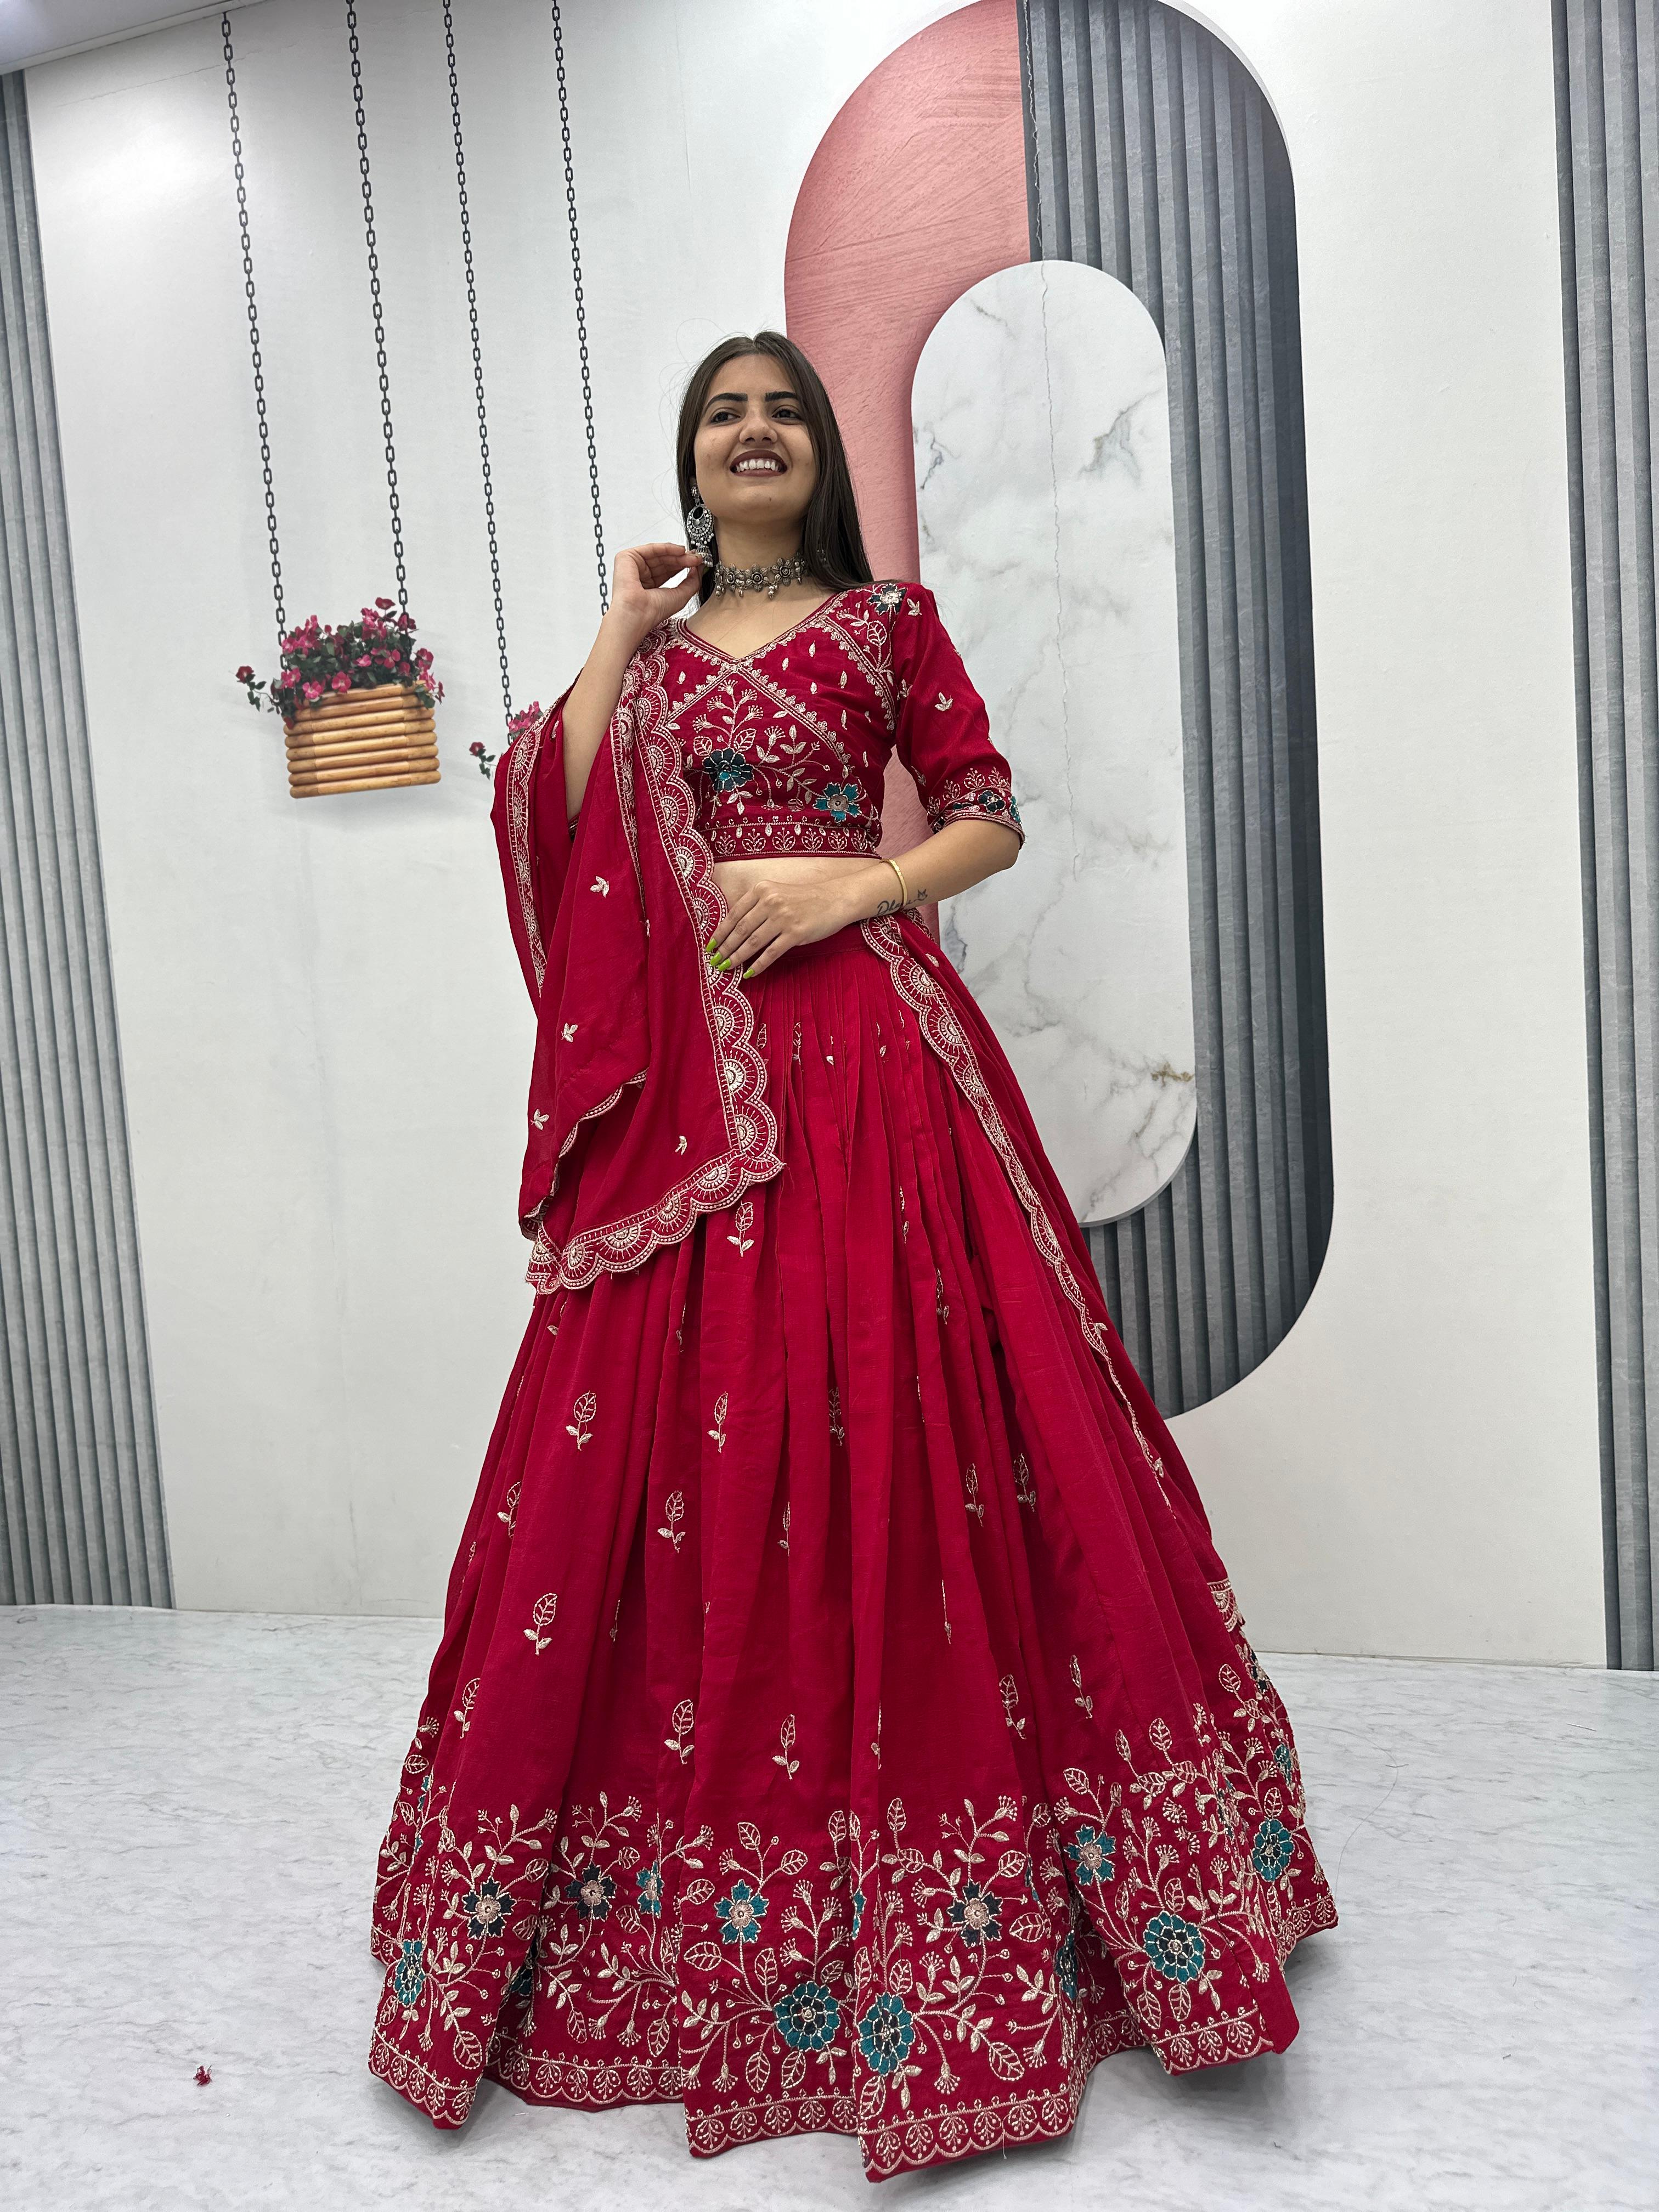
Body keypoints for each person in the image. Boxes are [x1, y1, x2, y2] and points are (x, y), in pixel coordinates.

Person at [369, 330, 1334, 2180]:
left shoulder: (890, 624)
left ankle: (1038, 1901)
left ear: (819, 452)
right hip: (693, 1103)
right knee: (680, 1439)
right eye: (722, 415)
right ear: (693, 460)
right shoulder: (652, 660)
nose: (754, 434)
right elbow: (550, 812)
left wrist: (857, 886)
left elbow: (987, 815)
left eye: (781, 413)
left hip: (880, 1060)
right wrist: (618, 631)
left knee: (926, 1419)